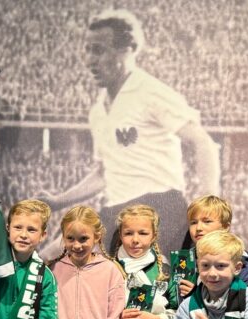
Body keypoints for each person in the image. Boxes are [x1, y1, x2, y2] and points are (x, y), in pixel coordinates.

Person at [45, 9, 220, 255]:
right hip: (116, 211)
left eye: (99, 50)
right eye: (87, 50)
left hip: (160, 208)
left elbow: (204, 144)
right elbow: (103, 173)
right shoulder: (98, 110)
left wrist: (209, 211)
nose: (90, 60)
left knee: (152, 287)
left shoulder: (150, 92)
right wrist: (57, 201)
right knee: (47, 260)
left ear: (127, 50)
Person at [176, 195, 248, 299]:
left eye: (207, 221)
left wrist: (197, 296)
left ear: (225, 227)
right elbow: (174, 304)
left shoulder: (241, 263)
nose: (199, 228)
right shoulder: (183, 260)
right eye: (193, 222)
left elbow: (239, 308)